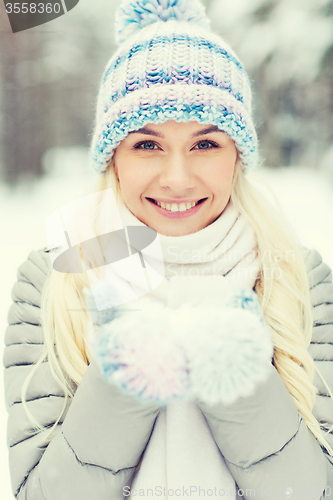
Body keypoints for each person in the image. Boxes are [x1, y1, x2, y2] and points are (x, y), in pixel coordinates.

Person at [3, 0, 333, 499]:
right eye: (147, 145)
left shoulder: (299, 279)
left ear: (238, 157)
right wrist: (126, 376)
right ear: (112, 158)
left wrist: (240, 386)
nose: (177, 179)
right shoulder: (55, 278)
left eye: (205, 145)